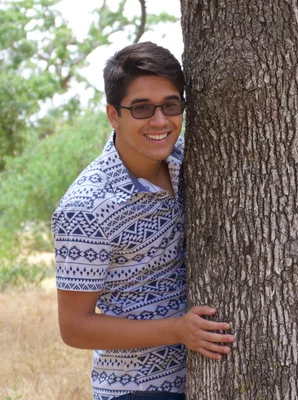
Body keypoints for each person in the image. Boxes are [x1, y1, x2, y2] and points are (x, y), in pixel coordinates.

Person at [51, 41, 235, 400]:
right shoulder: (86, 207)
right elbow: (74, 328)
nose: (160, 121)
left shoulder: (190, 160)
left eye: (170, 105)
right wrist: (177, 331)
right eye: (141, 108)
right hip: (136, 389)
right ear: (113, 115)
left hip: (209, 378)